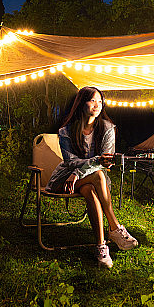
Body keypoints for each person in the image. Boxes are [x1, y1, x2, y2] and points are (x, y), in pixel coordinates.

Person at [47, 85, 138, 268]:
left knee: (90, 189)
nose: (97, 105)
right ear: (81, 104)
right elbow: (69, 161)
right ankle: (115, 227)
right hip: (63, 179)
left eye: (100, 101)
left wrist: (77, 173)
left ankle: (101, 247)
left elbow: (107, 160)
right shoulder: (66, 131)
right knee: (97, 175)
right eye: (92, 100)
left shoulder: (107, 128)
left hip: (86, 180)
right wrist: (75, 172)